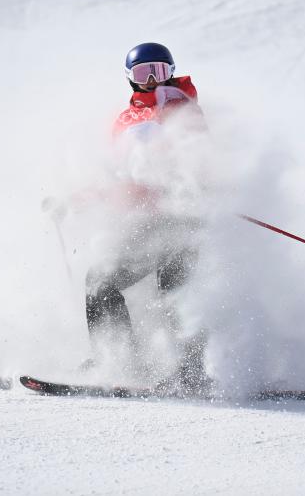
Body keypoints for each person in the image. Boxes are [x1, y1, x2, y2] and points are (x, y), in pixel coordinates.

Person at [83, 42, 209, 393]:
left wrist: (182, 177)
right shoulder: (124, 121)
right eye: (144, 73)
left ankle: (191, 372)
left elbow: (197, 150)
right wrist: (87, 194)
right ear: (130, 78)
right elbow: (115, 170)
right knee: (100, 282)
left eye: (160, 71)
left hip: (182, 216)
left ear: (171, 72)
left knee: (175, 285)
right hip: (142, 221)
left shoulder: (180, 105)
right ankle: (118, 361)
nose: (153, 79)